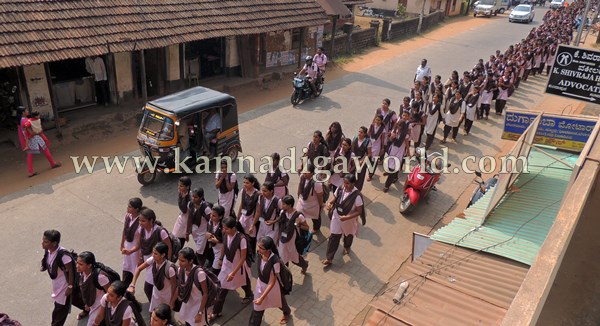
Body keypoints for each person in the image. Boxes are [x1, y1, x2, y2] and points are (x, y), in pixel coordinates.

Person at [209, 217, 254, 322]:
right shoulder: (226, 234)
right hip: (226, 265)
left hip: (237, 267)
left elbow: (242, 258)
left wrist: (233, 273)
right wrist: (221, 258)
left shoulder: (242, 239)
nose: (224, 230)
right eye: (223, 228)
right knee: (222, 288)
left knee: (243, 282)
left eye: (226, 229)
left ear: (233, 228)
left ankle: (248, 295)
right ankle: (217, 311)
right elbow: (224, 246)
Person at [321, 174, 364, 266]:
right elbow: (335, 198)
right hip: (337, 216)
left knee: (348, 235)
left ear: (353, 183)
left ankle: (347, 246)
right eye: (344, 183)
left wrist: (347, 217)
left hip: (349, 220)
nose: (345, 185)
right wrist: (330, 203)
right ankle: (329, 258)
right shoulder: (340, 188)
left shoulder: (357, 196)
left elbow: (359, 211)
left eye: (347, 183)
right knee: (334, 237)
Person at [41, 229, 81, 326]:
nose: (42, 243)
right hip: (57, 284)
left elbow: (71, 271)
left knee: (59, 310)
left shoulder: (63, 256)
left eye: (46, 242)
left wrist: (70, 287)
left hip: (64, 286)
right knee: (76, 299)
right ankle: (87, 307)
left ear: (54, 243)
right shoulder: (49, 250)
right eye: (43, 240)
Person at [249, 236, 292, 326]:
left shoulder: (275, 261)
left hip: (271, 287)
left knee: (279, 302)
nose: (259, 249)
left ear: (268, 249)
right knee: (257, 309)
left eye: (261, 248)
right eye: (258, 246)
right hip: (260, 285)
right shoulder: (260, 255)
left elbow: (272, 282)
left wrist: (262, 298)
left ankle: (286, 312)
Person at [129, 242, 177, 312]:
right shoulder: (152, 260)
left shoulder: (170, 268)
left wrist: (172, 301)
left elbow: (174, 285)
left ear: (163, 255)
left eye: (156, 254)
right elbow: (139, 269)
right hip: (156, 295)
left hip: (167, 297)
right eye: (153, 253)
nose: (153, 255)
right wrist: (132, 285)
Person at [138, 208, 173, 302]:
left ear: (151, 220)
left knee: (148, 287)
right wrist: (141, 257)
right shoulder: (142, 230)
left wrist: (167, 262)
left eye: (143, 221)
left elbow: (168, 246)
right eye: (139, 220)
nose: (140, 223)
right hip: (148, 261)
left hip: (158, 262)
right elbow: (141, 244)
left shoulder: (160, 231)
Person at [19, 109, 61, 177]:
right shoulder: (26, 121)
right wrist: (38, 132)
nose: (27, 111)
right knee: (42, 150)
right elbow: (30, 131)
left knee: (32, 153)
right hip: (34, 138)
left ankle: (31, 171)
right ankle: (52, 163)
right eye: (26, 110)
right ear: (23, 112)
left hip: (32, 138)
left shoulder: (24, 120)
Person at [176, 248, 209, 326]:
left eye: (183, 261)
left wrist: (200, 312)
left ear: (190, 261)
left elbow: (205, 293)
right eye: (179, 260)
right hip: (187, 304)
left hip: (198, 306)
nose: (179, 263)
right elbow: (179, 287)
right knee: (188, 323)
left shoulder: (199, 273)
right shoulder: (180, 270)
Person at [76, 251, 110, 325]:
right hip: (93, 305)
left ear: (89, 265)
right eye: (77, 263)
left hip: (100, 306)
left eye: (81, 264)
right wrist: (88, 304)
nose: (77, 266)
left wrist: (106, 308)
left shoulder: (100, 277)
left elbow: (110, 293)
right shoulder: (83, 273)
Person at [278, 195, 310, 274]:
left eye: (284, 204)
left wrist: (298, 224)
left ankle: (304, 265)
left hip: (293, 241)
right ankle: (285, 274)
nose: (282, 206)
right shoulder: (283, 212)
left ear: (289, 205)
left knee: (294, 258)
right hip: (283, 239)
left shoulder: (299, 216)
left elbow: (307, 228)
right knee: (283, 257)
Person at [186, 188, 212, 266]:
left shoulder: (206, 208)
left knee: (199, 252)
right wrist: (187, 232)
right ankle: (210, 259)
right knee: (203, 249)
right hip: (195, 232)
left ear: (201, 197)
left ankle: (201, 267)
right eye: (192, 197)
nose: (193, 199)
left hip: (203, 233)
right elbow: (189, 218)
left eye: (196, 197)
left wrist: (210, 233)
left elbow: (211, 222)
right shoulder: (190, 204)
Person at [295, 163, 324, 234]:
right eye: (304, 172)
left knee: (315, 218)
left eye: (306, 173)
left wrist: (321, 205)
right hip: (302, 202)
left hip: (313, 205)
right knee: (299, 215)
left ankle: (316, 228)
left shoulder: (317, 183)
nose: (304, 174)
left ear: (312, 173)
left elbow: (320, 196)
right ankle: (302, 227)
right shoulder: (302, 176)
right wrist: (299, 195)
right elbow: (300, 186)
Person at [383, 117, 409, 193]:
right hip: (392, 151)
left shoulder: (405, 135)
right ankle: (395, 177)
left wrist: (408, 153)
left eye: (400, 126)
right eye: (398, 125)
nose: (399, 127)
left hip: (399, 153)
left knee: (393, 169)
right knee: (391, 166)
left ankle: (386, 186)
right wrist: (391, 136)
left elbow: (406, 144)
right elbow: (389, 140)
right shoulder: (395, 131)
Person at [121, 198, 143, 287]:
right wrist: (122, 244)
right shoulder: (128, 216)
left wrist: (131, 251)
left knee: (133, 270)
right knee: (126, 268)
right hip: (127, 247)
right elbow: (124, 231)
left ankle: (129, 289)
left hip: (135, 251)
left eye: (130, 207)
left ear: (137, 209)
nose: (128, 208)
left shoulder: (140, 222)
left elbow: (140, 242)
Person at [237, 174, 261, 256]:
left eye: (247, 183)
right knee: (242, 234)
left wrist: (252, 225)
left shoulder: (257, 195)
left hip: (251, 218)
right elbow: (241, 204)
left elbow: (258, 211)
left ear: (253, 183)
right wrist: (238, 217)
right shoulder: (243, 191)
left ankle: (251, 253)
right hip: (243, 217)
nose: (245, 184)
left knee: (251, 237)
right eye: (244, 182)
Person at [172, 176, 192, 247]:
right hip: (182, 218)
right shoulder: (181, 193)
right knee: (175, 236)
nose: (179, 187)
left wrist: (183, 199)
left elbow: (184, 210)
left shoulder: (190, 197)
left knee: (179, 238)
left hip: (187, 220)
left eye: (181, 186)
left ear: (187, 187)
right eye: (178, 185)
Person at [206, 205, 225, 275]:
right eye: (211, 214)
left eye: (214, 216)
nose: (211, 216)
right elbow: (208, 230)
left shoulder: (223, 226)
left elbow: (227, 240)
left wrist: (217, 241)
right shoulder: (211, 221)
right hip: (213, 248)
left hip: (220, 250)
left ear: (220, 217)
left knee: (215, 271)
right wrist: (207, 234)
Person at [351, 126, 372, 191]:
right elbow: (351, 149)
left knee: (360, 177)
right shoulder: (354, 138)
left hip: (362, 161)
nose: (359, 133)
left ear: (365, 134)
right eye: (359, 131)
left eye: (361, 132)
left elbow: (369, 154)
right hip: (353, 160)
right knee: (351, 174)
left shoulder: (368, 142)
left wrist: (362, 161)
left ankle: (357, 191)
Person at [367, 114, 385, 181]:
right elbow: (368, 134)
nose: (377, 121)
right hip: (370, 144)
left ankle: (370, 175)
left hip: (377, 146)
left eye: (379, 120)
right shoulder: (372, 126)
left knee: (373, 161)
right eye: (376, 119)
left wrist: (382, 148)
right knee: (369, 159)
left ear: (381, 121)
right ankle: (370, 171)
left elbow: (382, 139)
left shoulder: (382, 129)